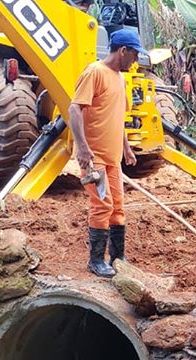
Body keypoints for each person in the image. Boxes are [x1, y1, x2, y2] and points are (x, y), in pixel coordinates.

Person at [69, 29, 145, 277]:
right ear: (123, 51)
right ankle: (95, 260)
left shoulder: (120, 78)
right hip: (95, 159)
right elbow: (74, 109)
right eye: (134, 54)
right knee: (102, 205)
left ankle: (117, 256)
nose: (135, 60)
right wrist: (82, 147)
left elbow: (117, 117)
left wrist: (126, 148)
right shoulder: (95, 72)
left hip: (113, 159)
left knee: (118, 207)